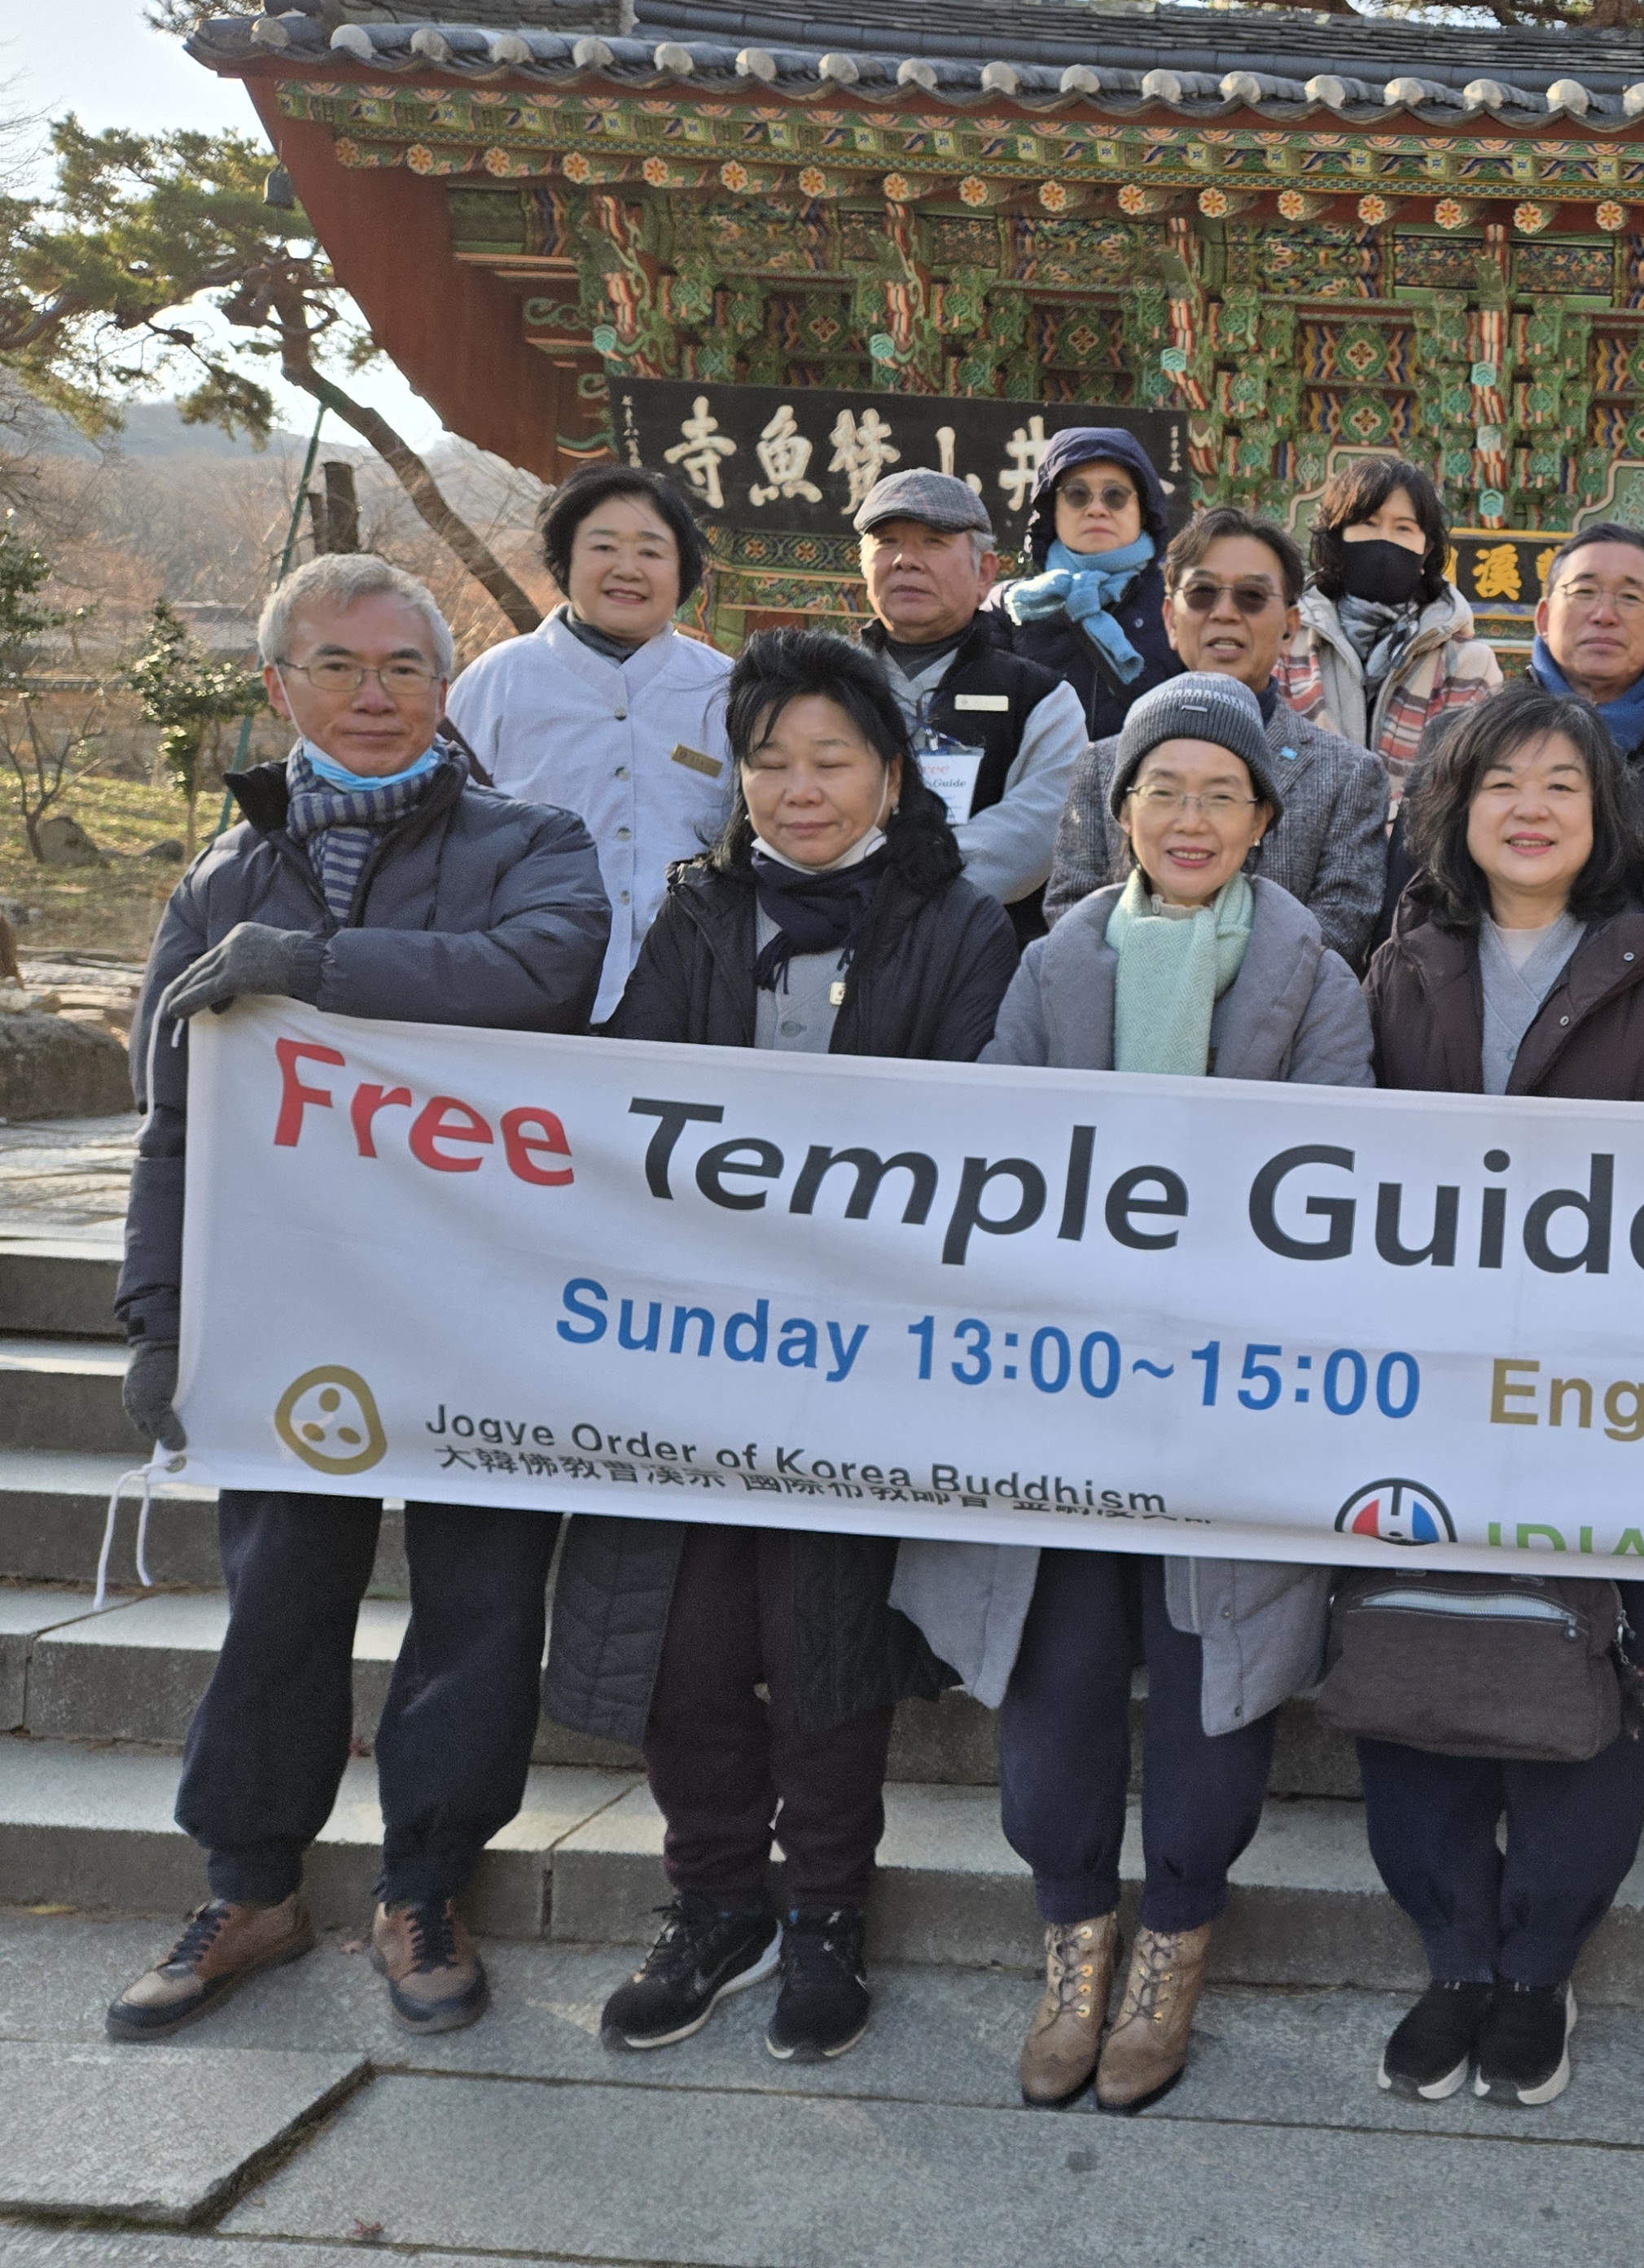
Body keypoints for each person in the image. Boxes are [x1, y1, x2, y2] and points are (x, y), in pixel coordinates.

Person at [105, 555, 607, 2043]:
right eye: (337, 665)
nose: (374, 694)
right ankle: (249, 1885)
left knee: (479, 1603)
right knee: (279, 1598)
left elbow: (544, 971)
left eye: (403, 667)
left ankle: (426, 1888)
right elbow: (174, 1119)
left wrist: (318, 969)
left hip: (485, 1299)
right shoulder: (220, 878)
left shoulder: (535, 840)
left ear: (447, 687)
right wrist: (157, 1319)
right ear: (280, 688)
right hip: (291, 1306)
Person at [894, 672, 1373, 2115]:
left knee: (1213, 1675)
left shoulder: (1318, 977)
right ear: (1119, 815)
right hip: (1065, 1395)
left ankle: (1172, 1953)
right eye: (1162, 790)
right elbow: (1000, 1158)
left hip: (1231, 1401)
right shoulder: (1053, 965)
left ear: (1264, 821)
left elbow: (1336, 1184)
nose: (1190, 817)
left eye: (1221, 793)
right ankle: (1073, 1952)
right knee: (1059, 1669)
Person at [541, 628, 1015, 2064]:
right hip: (687, 1350)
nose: (799, 791)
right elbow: (627, 1107)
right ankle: (712, 1904)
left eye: (831, 761)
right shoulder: (698, 915)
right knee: (681, 1645)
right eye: (769, 763)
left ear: (892, 776)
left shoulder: (961, 926)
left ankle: (823, 1911)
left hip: (859, 1356)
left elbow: (979, 1136)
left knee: (822, 1642)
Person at [1359, 684, 1644, 2107]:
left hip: (1604, 1392)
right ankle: (1453, 1952)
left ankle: (1538, 1966)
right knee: (1421, 1643)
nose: (1530, 809)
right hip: (1427, 1386)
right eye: (1500, 783)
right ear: (1455, 810)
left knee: (1592, 1655)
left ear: (1606, 814)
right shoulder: (1405, 961)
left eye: (1560, 786)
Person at [1042, 507, 1388, 967]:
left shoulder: (1348, 776)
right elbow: (1072, 914)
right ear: (1170, 618)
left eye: (1251, 596)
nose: (1224, 613)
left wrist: (1215, 981)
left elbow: (1340, 931)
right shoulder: (1102, 764)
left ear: (1290, 627)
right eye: (1202, 594)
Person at [449, 464, 733, 1020]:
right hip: (521, 991)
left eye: (651, 552)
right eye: (603, 547)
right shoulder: (498, 680)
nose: (627, 569)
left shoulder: (724, 688)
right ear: (566, 560)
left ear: (684, 571)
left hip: (685, 1000)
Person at [1434, 520, 1644, 1008]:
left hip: (1640, 1024)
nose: (1604, 615)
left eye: (1630, 597)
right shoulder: (1456, 741)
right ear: (1543, 617)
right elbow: (1415, 912)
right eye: (1583, 592)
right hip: (1469, 1008)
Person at [849, 466, 1089, 941]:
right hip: (835, 942)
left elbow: (1037, 830)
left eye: (933, 542)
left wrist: (891, 884)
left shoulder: (1040, 698)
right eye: (887, 542)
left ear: (985, 573)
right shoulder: (821, 687)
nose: (905, 561)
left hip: (980, 951)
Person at [1273, 453, 1496, 795]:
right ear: (1338, 537)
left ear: (1426, 550)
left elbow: (1459, 788)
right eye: (1369, 523)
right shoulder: (1285, 645)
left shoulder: (1468, 663)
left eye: (1403, 528)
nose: (1385, 541)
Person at [995, 425, 1179, 740]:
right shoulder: (1009, 607)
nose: (1096, 510)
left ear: (1143, 512)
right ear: (1051, 510)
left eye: (1115, 496)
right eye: (1077, 495)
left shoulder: (1182, 604)